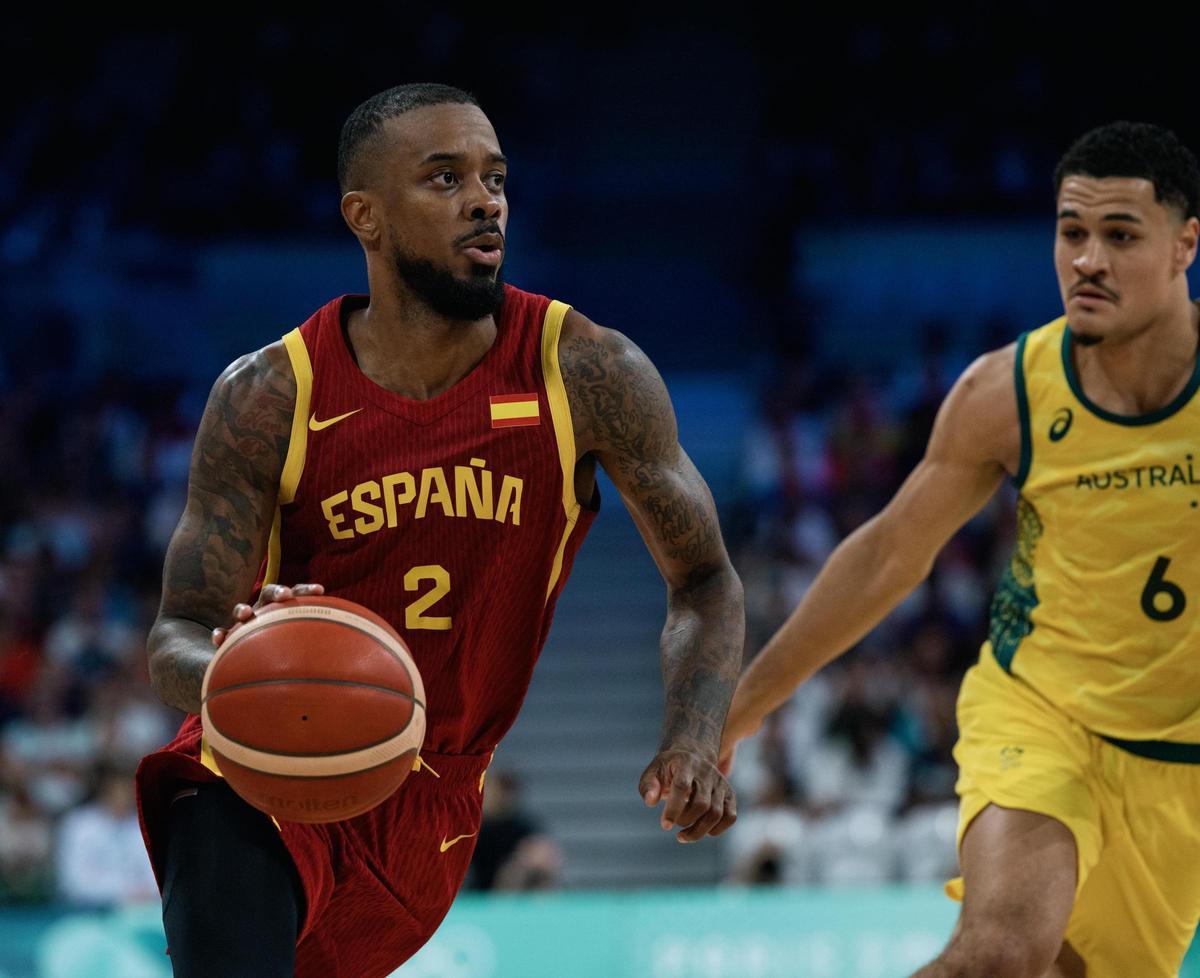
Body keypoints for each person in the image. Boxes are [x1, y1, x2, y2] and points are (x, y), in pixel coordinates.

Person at [135, 83, 743, 978]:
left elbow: (706, 578)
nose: (484, 199)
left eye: (495, 177)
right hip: (263, 765)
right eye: (444, 178)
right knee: (212, 821)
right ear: (366, 218)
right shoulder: (269, 394)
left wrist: (693, 737)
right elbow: (173, 637)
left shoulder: (583, 369)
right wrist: (237, 663)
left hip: (434, 798)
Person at [720, 121, 1200, 978]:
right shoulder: (1004, 391)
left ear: (1184, 246)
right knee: (999, 954)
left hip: (1181, 765)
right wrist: (750, 700)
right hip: (1043, 714)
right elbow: (885, 558)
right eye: (1071, 232)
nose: (1087, 259)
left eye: (1120, 236)